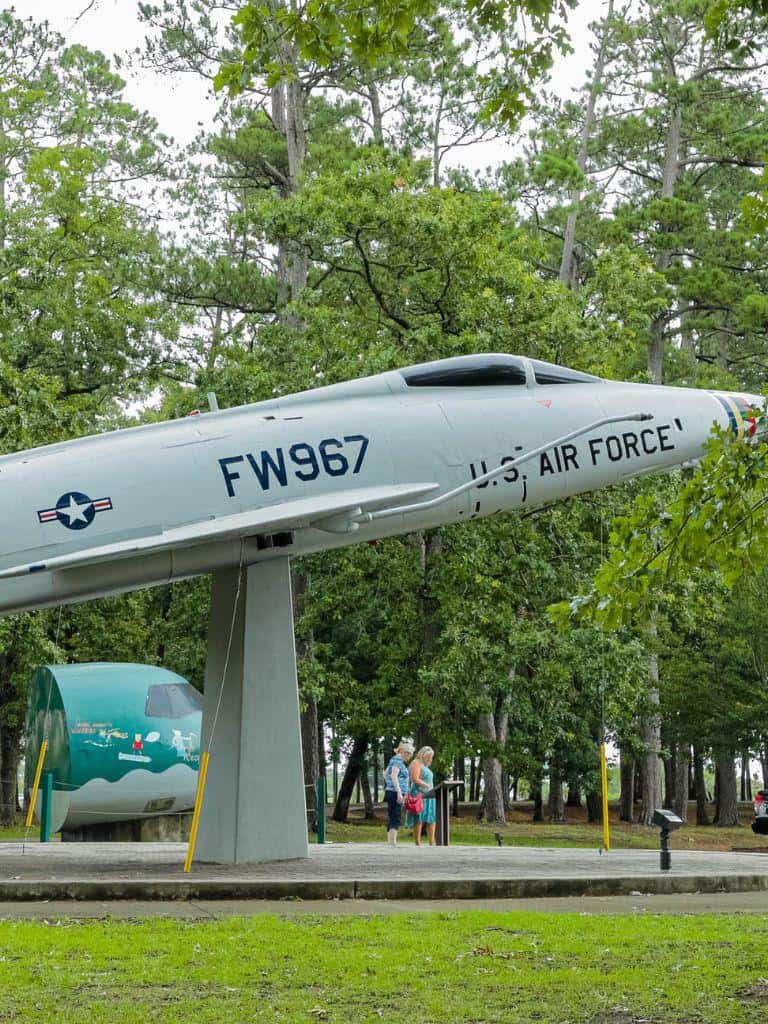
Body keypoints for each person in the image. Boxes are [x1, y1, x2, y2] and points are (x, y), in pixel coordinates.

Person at [384, 740, 413, 845]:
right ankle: (393, 841)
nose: (409, 756)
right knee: (395, 816)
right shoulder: (397, 761)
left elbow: (385, 774)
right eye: (407, 753)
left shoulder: (394, 760)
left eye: (410, 754)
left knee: (393, 815)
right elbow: (393, 776)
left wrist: (389, 785)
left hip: (392, 791)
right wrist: (399, 792)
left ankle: (390, 841)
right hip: (395, 792)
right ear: (402, 752)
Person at [406, 746, 436, 846]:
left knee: (431, 818)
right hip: (419, 795)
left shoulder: (425, 766)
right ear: (422, 754)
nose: (430, 759)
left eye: (431, 757)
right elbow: (415, 778)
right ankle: (417, 843)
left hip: (430, 795)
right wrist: (426, 785)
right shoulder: (416, 763)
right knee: (419, 819)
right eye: (428, 757)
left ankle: (432, 842)